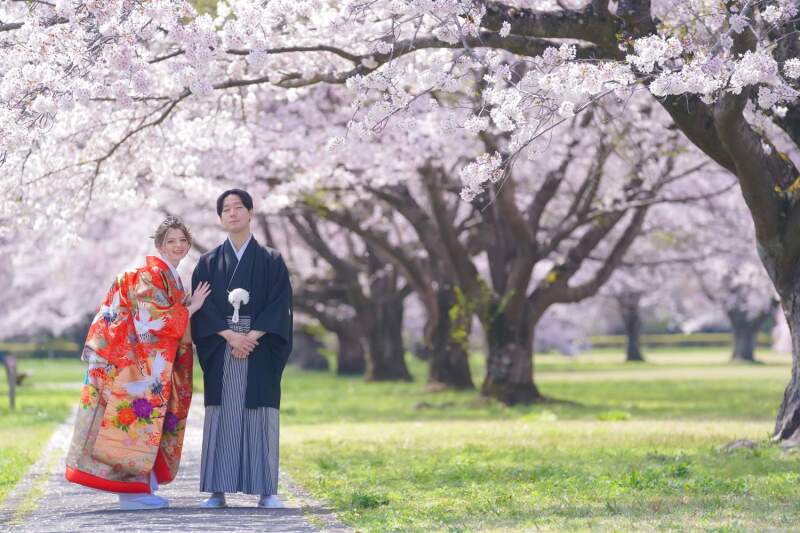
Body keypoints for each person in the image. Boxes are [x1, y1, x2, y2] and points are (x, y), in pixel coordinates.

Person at [65, 217, 211, 510]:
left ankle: (142, 486)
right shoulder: (149, 274)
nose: (178, 246)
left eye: (183, 240)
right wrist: (190, 308)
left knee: (143, 420)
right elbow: (150, 320)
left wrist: (183, 309)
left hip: (139, 357)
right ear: (159, 245)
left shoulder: (167, 275)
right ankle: (130, 491)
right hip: (130, 359)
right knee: (132, 419)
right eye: (171, 241)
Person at [191, 189, 293, 509]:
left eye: (238, 207)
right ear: (220, 218)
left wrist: (252, 335)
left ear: (251, 212)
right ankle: (217, 490)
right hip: (222, 345)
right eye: (225, 209)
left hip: (260, 345)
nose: (232, 213)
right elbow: (201, 308)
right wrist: (230, 336)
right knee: (221, 413)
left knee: (260, 412)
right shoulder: (207, 262)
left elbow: (281, 304)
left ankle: (266, 490)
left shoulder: (272, 260)